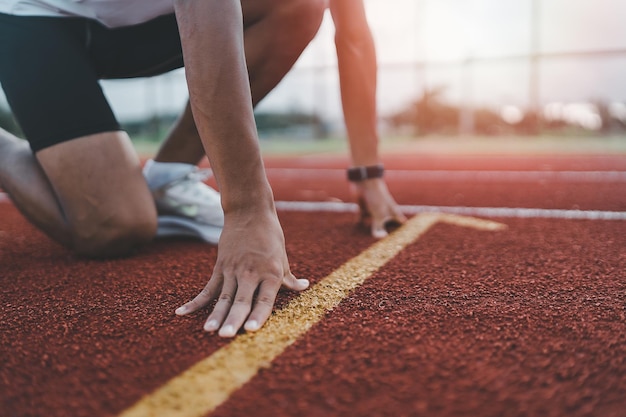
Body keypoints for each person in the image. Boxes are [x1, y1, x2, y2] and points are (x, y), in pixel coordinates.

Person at [0, 0, 403, 338]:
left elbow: (352, 33)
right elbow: (205, 13)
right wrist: (247, 210)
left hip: (149, 24)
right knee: (112, 227)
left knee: (299, 6)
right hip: (39, 18)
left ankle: (167, 175)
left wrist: (368, 175)